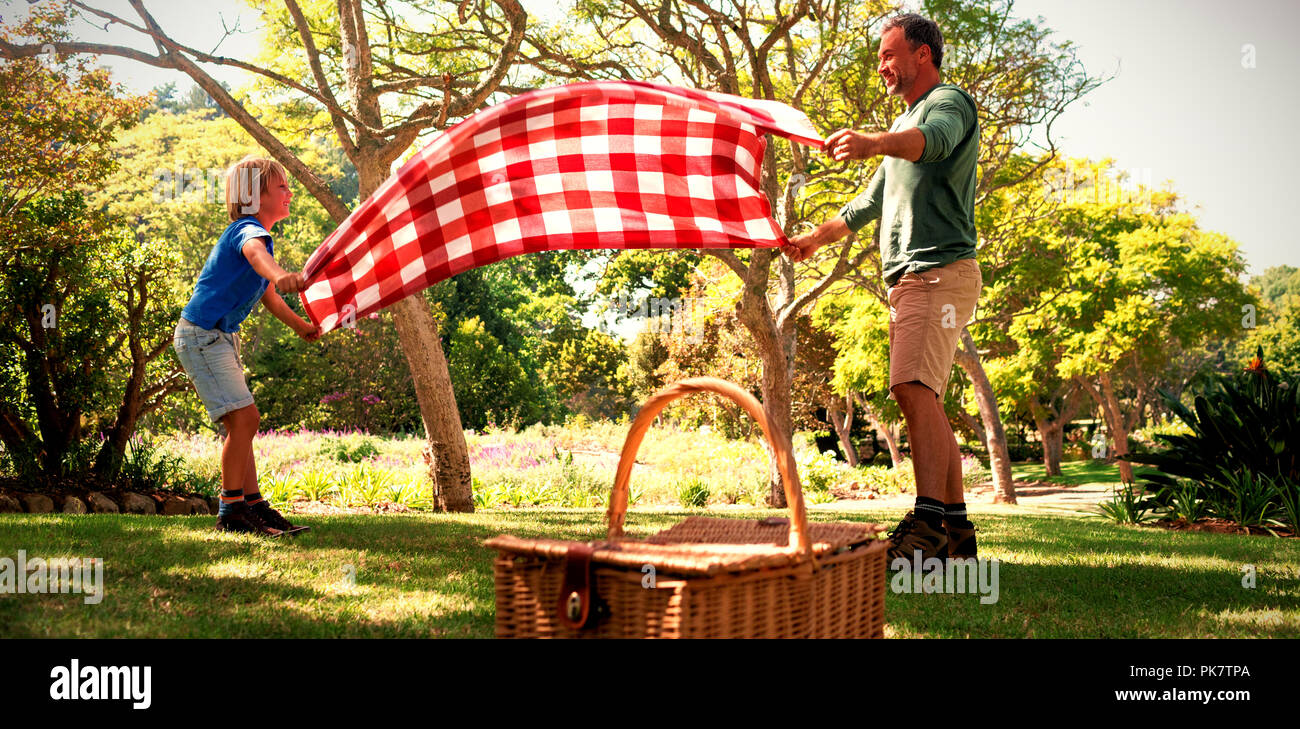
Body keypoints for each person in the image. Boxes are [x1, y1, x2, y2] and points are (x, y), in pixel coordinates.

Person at [784, 13, 981, 563]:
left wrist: (874, 141)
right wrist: (815, 239)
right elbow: (868, 203)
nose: (882, 67)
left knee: (912, 389)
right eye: (878, 59)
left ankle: (927, 527)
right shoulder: (905, 129)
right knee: (926, 397)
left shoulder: (947, 104)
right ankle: (956, 533)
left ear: (923, 53)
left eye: (890, 55)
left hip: (936, 272)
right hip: (918, 279)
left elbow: (932, 144)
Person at [173, 155, 320, 537]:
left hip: (218, 336)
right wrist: (281, 273)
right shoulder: (247, 231)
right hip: (203, 334)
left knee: (242, 424)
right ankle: (231, 513)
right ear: (254, 197)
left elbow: (269, 297)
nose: (290, 192)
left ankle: (252, 507)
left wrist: (302, 327)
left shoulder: (257, 235)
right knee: (245, 420)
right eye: (282, 187)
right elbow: (259, 262)